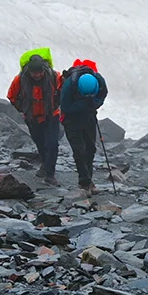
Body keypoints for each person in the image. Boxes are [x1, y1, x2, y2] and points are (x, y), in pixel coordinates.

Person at [7, 54, 62, 186]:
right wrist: (23, 109)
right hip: (32, 117)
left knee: (52, 143)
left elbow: (63, 89)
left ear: (44, 69)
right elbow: (12, 96)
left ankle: (50, 175)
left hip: (51, 115)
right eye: (34, 73)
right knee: (40, 143)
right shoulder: (19, 80)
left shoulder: (55, 77)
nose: (37, 75)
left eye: (39, 72)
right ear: (29, 71)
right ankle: (45, 164)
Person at [60, 61, 108, 195]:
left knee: (90, 148)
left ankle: (88, 181)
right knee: (79, 150)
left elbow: (102, 95)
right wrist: (83, 104)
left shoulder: (99, 81)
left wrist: (94, 104)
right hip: (71, 120)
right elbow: (65, 108)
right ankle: (85, 182)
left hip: (89, 117)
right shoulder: (69, 86)